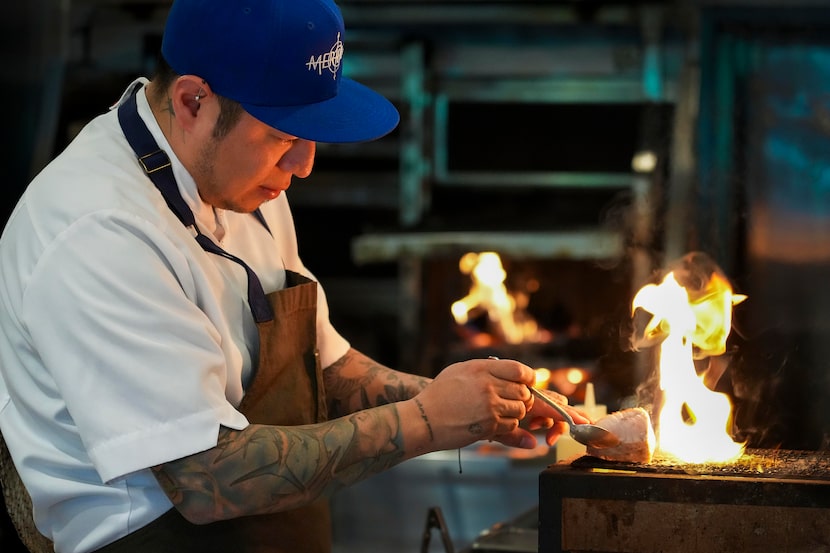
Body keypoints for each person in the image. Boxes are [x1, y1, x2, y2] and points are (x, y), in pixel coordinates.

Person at [0, 0, 589, 552]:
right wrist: (428, 421)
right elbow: (206, 479)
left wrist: (474, 403)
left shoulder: (242, 183)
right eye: (283, 135)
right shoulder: (99, 231)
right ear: (193, 102)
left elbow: (325, 367)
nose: (303, 165)